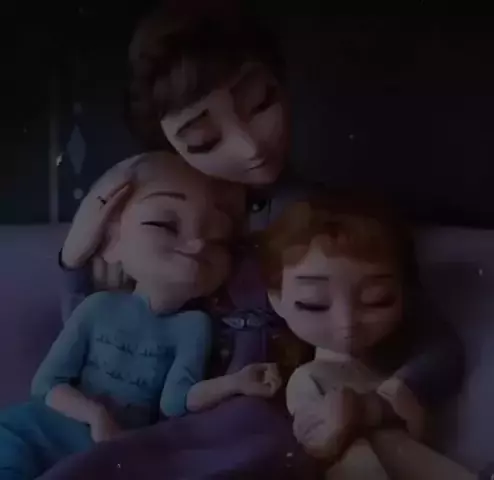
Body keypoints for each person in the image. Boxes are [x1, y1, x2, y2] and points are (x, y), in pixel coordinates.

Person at [51, 5, 463, 478]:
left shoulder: (319, 221)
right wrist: (76, 257)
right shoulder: (155, 222)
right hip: (167, 427)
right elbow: (93, 338)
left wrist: (377, 404)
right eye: (204, 138)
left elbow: (438, 346)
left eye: (261, 103)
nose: (249, 146)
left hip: (270, 428)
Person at [0, 152, 284, 480]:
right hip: (35, 432)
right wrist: (96, 416)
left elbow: (175, 401)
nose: (196, 244)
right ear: (110, 243)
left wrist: (235, 382)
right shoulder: (98, 307)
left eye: (218, 239)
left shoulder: (193, 326)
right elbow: (47, 384)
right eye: (164, 224)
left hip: (114, 454)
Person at [258, 195, 476, 478]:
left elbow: (442, 357)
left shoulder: (416, 353)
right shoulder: (305, 375)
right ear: (276, 300)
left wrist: (372, 406)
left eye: (377, 299)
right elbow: (318, 442)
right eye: (314, 303)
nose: (346, 324)